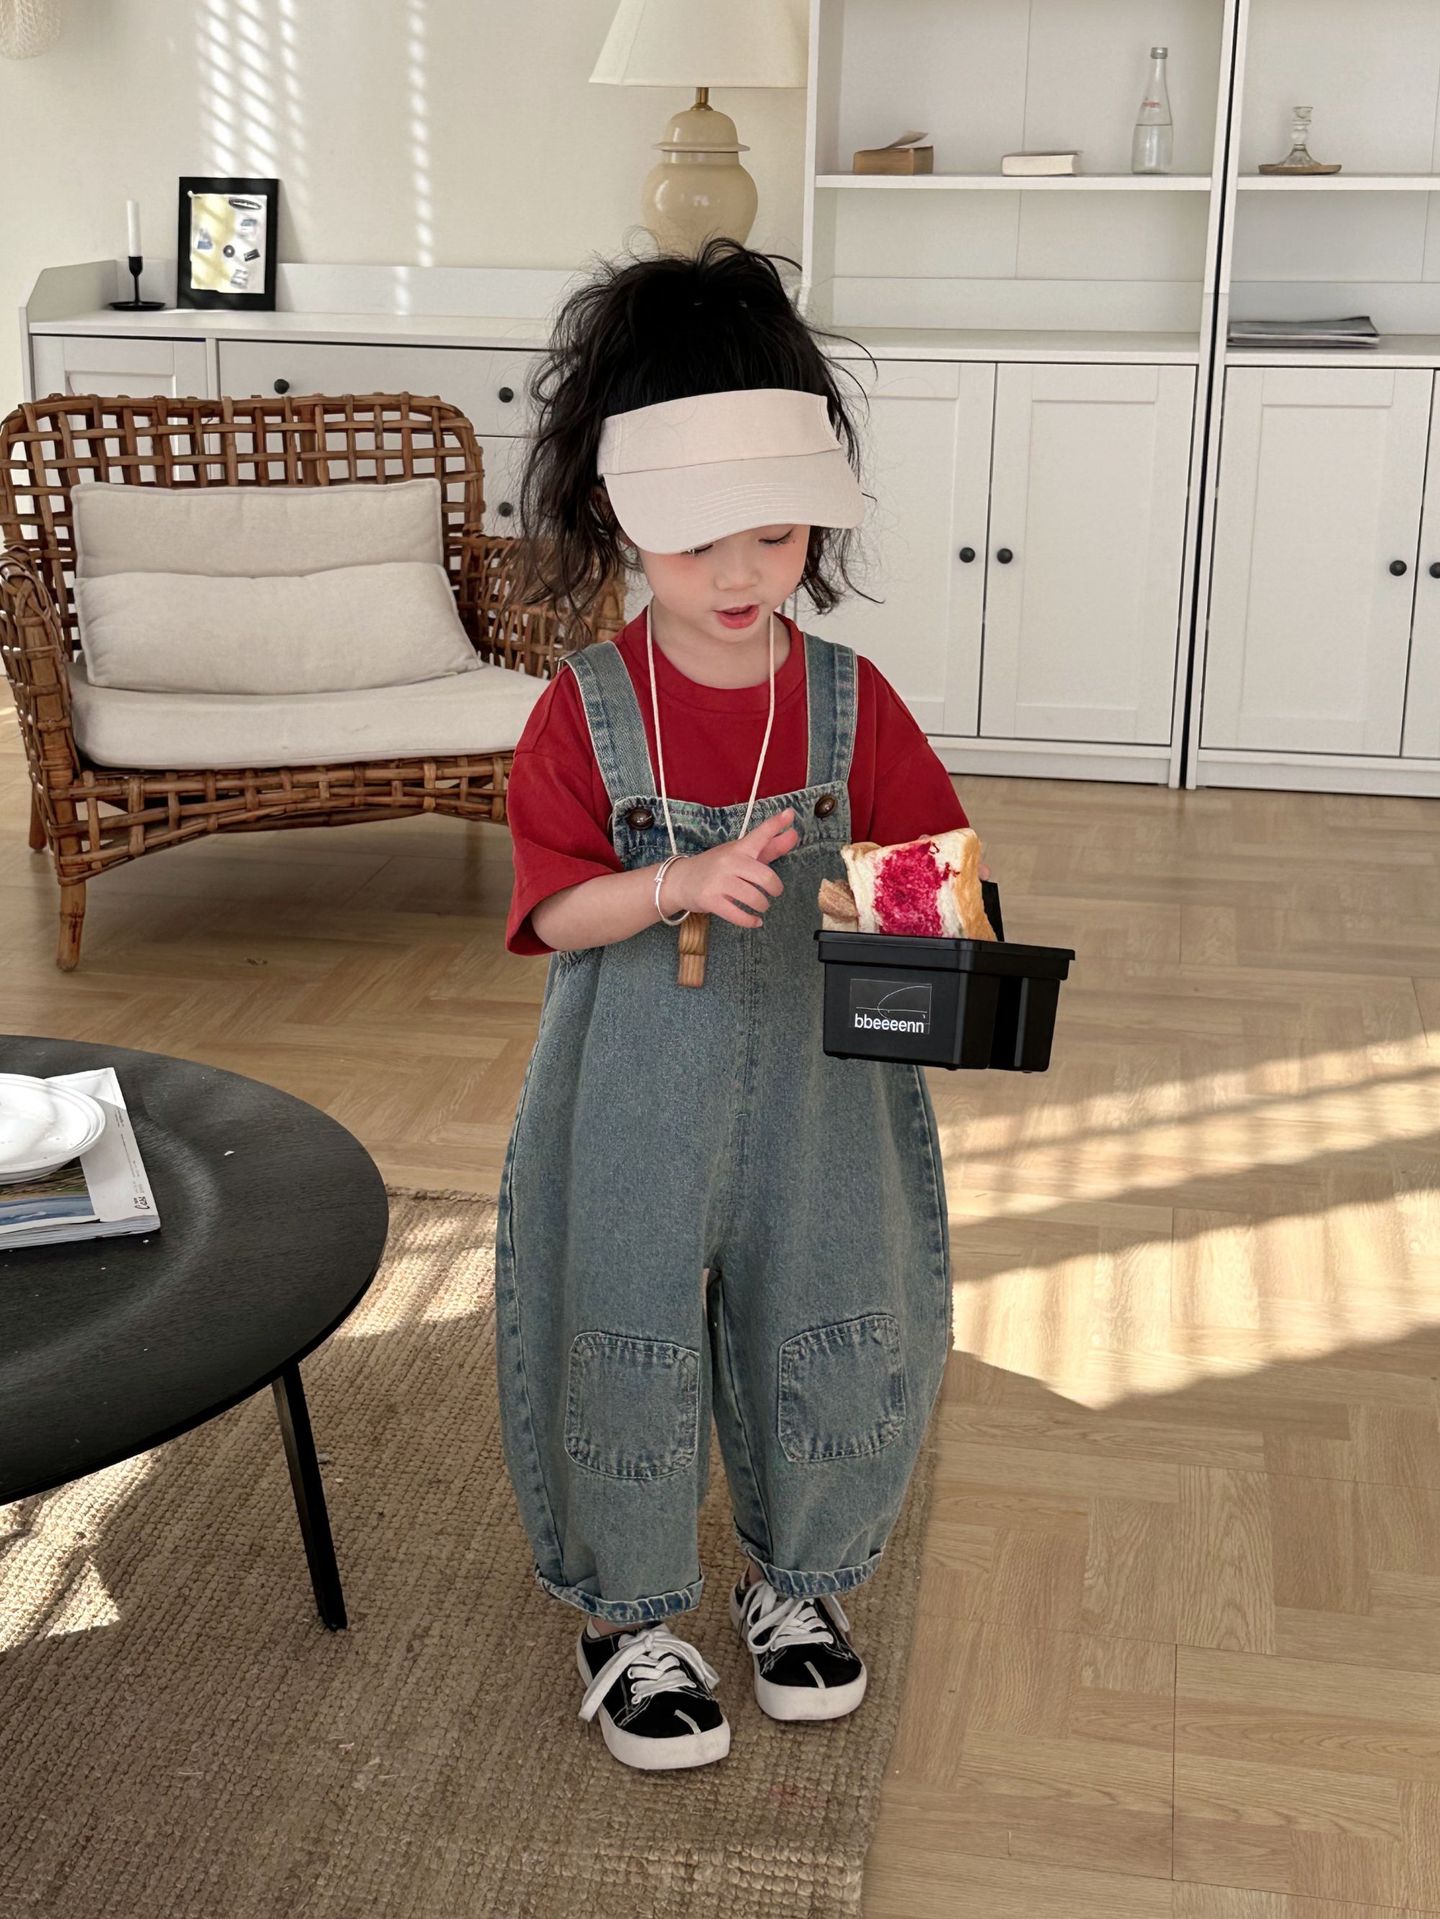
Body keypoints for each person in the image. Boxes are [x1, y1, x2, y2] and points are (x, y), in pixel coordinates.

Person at [494, 237, 985, 1774]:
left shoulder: (851, 700)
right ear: (615, 517)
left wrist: (943, 947)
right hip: (632, 1095)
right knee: (620, 1320)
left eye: (774, 537)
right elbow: (551, 909)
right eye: (696, 541)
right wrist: (675, 884)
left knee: (829, 1308)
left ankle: (800, 1581)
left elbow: (927, 874)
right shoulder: (584, 711)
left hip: (823, 1100)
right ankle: (630, 1615)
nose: (736, 577)